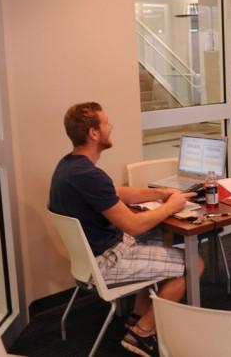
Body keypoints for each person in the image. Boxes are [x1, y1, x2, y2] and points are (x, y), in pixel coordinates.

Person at [49, 102, 203, 357]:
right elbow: (132, 224)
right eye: (106, 123)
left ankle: (137, 313)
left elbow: (117, 193)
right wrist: (172, 205)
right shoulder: (88, 175)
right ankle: (142, 332)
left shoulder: (70, 167)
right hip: (106, 262)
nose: (112, 127)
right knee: (193, 263)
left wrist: (159, 194)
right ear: (93, 133)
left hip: (92, 257)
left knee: (157, 236)